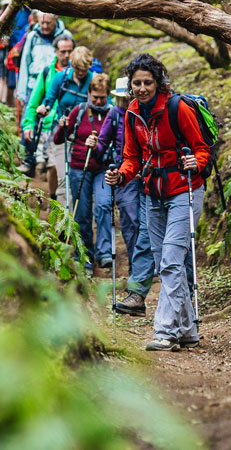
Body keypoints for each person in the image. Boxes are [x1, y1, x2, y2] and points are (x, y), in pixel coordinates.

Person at [105, 54, 210, 352]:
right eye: (136, 83)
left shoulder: (177, 108)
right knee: (167, 260)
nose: (141, 88)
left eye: (147, 82)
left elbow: (202, 149)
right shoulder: (132, 113)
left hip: (184, 191)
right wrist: (120, 176)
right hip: (153, 195)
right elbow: (132, 158)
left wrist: (194, 161)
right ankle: (188, 330)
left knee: (171, 262)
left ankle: (165, 331)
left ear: (158, 82)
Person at [91, 76, 153, 316]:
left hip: (147, 174)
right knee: (129, 221)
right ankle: (137, 269)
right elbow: (103, 144)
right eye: (124, 97)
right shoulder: (116, 114)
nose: (127, 100)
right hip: (125, 176)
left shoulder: (145, 112)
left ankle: (144, 270)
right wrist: (93, 145)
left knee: (145, 223)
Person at [54, 72, 112, 273]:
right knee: (82, 213)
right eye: (95, 97)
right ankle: (85, 254)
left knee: (104, 206)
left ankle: (105, 252)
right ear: (88, 94)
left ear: (108, 96)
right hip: (80, 167)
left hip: (103, 168)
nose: (98, 101)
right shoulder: (79, 111)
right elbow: (58, 140)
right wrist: (62, 127)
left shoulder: (112, 114)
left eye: (102, 98)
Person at [38, 46, 94, 208]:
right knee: (62, 176)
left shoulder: (93, 80)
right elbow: (49, 99)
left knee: (78, 179)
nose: (80, 72)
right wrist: (44, 107)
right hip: (62, 132)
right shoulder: (61, 78)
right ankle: (62, 221)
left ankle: (77, 217)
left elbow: (103, 103)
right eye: (77, 69)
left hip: (83, 136)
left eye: (84, 69)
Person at [19, 33, 74, 176]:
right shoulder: (47, 72)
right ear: (56, 51)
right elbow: (33, 102)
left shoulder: (79, 74)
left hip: (68, 125)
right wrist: (28, 125)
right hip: (46, 126)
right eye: (63, 51)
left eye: (70, 51)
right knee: (53, 165)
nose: (67, 55)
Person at [16, 12, 67, 106]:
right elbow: (25, 64)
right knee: (29, 117)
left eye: (48, 23)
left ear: (56, 19)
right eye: (42, 23)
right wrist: (22, 93)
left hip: (56, 87)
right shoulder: (32, 36)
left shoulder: (65, 36)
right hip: (33, 86)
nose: (45, 26)